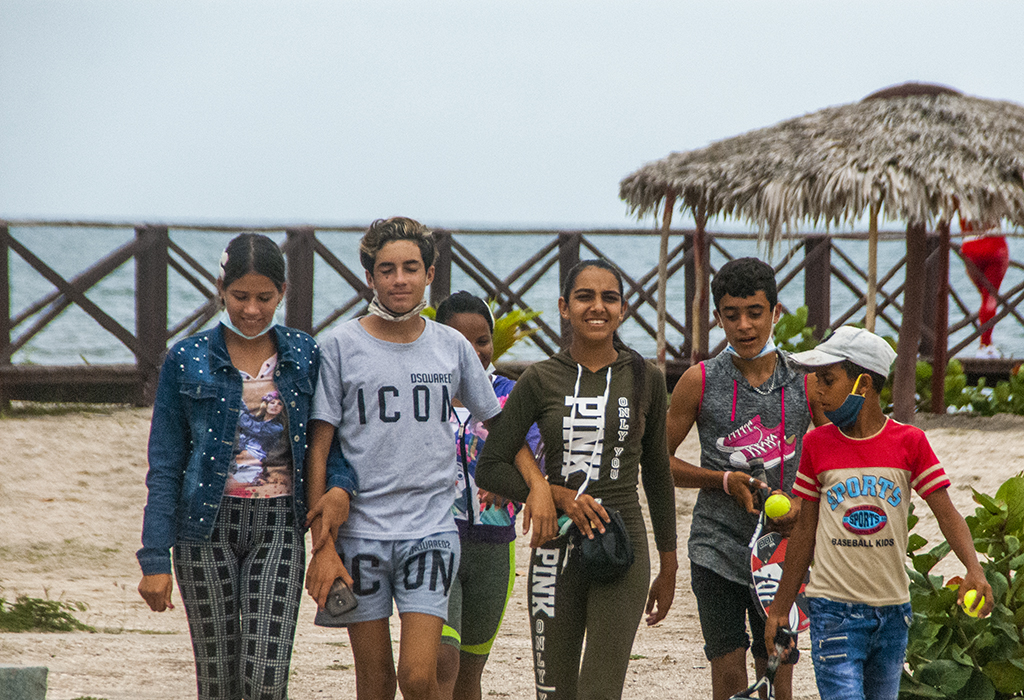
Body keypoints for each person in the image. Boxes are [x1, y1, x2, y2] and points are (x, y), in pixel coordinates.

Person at [137, 232, 353, 700]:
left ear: (283, 292)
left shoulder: (305, 355)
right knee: (218, 682)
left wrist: (340, 487)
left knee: (266, 677)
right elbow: (166, 464)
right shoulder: (185, 359)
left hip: (280, 527)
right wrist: (154, 558)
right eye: (239, 296)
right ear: (220, 289)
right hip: (202, 529)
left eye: (264, 297)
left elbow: (330, 443)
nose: (251, 309)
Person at [302, 217, 507, 700]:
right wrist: (322, 546)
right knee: (374, 681)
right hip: (359, 534)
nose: (399, 279)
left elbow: (500, 425)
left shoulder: (451, 346)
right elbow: (319, 447)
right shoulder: (339, 346)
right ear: (369, 276)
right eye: (387, 269)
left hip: (431, 530)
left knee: (418, 677)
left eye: (411, 268)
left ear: (430, 274)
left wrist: (538, 487)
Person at [476, 259, 678, 700]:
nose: (598, 307)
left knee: (600, 692)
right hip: (555, 548)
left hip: (622, 545)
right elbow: (490, 465)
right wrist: (552, 494)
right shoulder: (539, 378)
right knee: (554, 692)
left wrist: (669, 564)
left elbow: (658, 474)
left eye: (609, 298)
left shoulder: (645, 377)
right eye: (585, 297)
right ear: (564, 307)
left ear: (623, 309)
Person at [766, 325, 994, 700]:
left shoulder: (910, 443)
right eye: (816, 379)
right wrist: (780, 608)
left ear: (864, 385)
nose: (816, 390)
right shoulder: (816, 444)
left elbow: (947, 513)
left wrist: (974, 568)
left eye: (827, 379)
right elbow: (805, 531)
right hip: (832, 612)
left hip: (893, 614)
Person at [665, 257, 824, 700]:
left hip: (784, 551)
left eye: (755, 312)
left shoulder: (806, 381)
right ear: (718, 317)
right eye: (731, 315)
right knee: (730, 676)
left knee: (777, 672)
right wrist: (721, 481)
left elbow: (834, 459)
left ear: (776, 312)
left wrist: (802, 506)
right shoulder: (699, 380)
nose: (744, 326)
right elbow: (658, 462)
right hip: (714, 547)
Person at [433, 291, 554, 700]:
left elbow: (534, 452)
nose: (473, 351)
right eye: (460, 341)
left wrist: (512, 486)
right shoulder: (425, 395)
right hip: (436, 542)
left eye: (482, 340)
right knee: (442, 661)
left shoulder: (511, 395)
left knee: (469, 673)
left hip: (494, 547)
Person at [959, 214, 1009, 358]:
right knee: (989, 299)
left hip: (970, 246)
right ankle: (985, 345)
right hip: (995, 245)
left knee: (986, 297)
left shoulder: (960, 201)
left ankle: (985, 344)